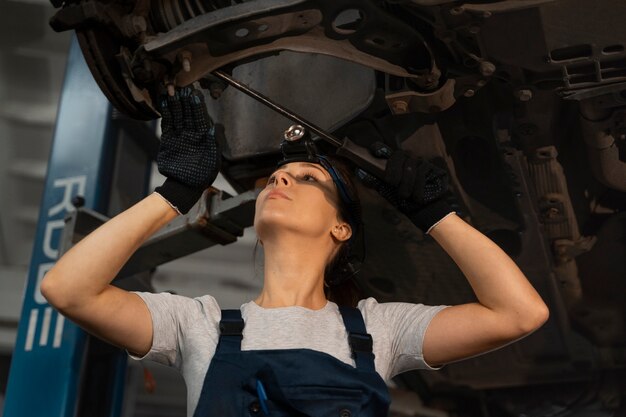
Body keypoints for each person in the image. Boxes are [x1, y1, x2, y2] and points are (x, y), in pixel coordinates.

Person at [41, 86, 549, 417]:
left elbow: (519, 314)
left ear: (341, 229)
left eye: (307, 178)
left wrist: (436, 216)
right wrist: (171, 196)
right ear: (258, 228)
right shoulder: (198, 325)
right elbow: (67, 289)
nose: (281, 176)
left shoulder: (378, 331)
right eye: (277, 178)